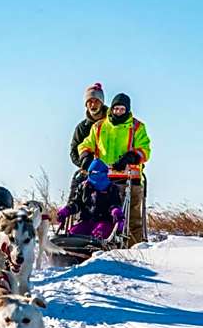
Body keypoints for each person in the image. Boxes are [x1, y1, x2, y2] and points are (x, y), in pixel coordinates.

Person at [76, 92, 151, 246]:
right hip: (102, 181)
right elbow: (85, 144)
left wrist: (131, 156)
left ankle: (134, 250)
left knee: (132, 220)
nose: (118, 112)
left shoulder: (137, 127)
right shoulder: (99, 126)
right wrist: (85, 156)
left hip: (130, 180)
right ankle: (93, 245)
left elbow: (145, 150)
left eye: (122, 109)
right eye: (116, 108)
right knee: (96, 216)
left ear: (127, 110)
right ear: (111, 108)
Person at [56, 159, 124, 239]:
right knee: (73, 234)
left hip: (104, 221)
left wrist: (116, 211)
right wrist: (67, 210)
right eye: (92, 173)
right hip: (86, 221)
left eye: (97, 173)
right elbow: (76, 203)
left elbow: (115, 203)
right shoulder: (84, 187)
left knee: (98, 234)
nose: (94, 176)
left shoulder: (111, 188)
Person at [68, 83, 108, 197]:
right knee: (77, 188)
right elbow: (74, 151)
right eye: (90, 101)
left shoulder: (112, 124)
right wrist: (85, 164)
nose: (93, 105)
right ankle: (70, 207)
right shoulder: (82, 128)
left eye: (96, 101)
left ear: (102, 103)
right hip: (88, 172)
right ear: (86, 104)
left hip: (112, 171)